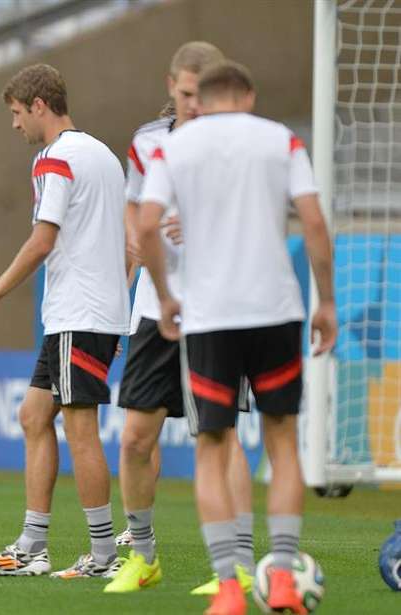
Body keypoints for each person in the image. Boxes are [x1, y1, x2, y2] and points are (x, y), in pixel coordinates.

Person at [138, 61, 336, 615]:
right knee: (282, 442)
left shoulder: (172, 149)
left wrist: (165, 293)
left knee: (212, 448)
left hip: (209, 317)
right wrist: (327, 301)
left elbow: (147, 223)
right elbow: (314, 222)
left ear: (201, 97)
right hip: (274, 310)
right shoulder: (282, 139)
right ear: (248, 96)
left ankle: (228, 588)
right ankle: (281, 578)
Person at [105, 42, 255, 596]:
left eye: (203, 92)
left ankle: (237, 565)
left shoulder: (244, 144)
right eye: (186, 92)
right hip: (152, 309)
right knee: (135, 439)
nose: (194, 103)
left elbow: (260, 219)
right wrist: (134, 249)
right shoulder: (146, 142)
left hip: (217, 308)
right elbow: (132, 206)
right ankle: (142, 557)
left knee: (219, 437)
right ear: (171, 85)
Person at [0, 64, 130, 578]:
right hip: (93, 312)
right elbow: (128, 243)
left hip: (76, 314)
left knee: (81, 431)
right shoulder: (105, 155)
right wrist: (117, 313)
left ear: (39, 105)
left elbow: (44, 239)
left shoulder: (54, 158)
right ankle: (32, 545)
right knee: (34, 417)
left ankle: (103, 556)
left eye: (17, 113)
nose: (15, 125)